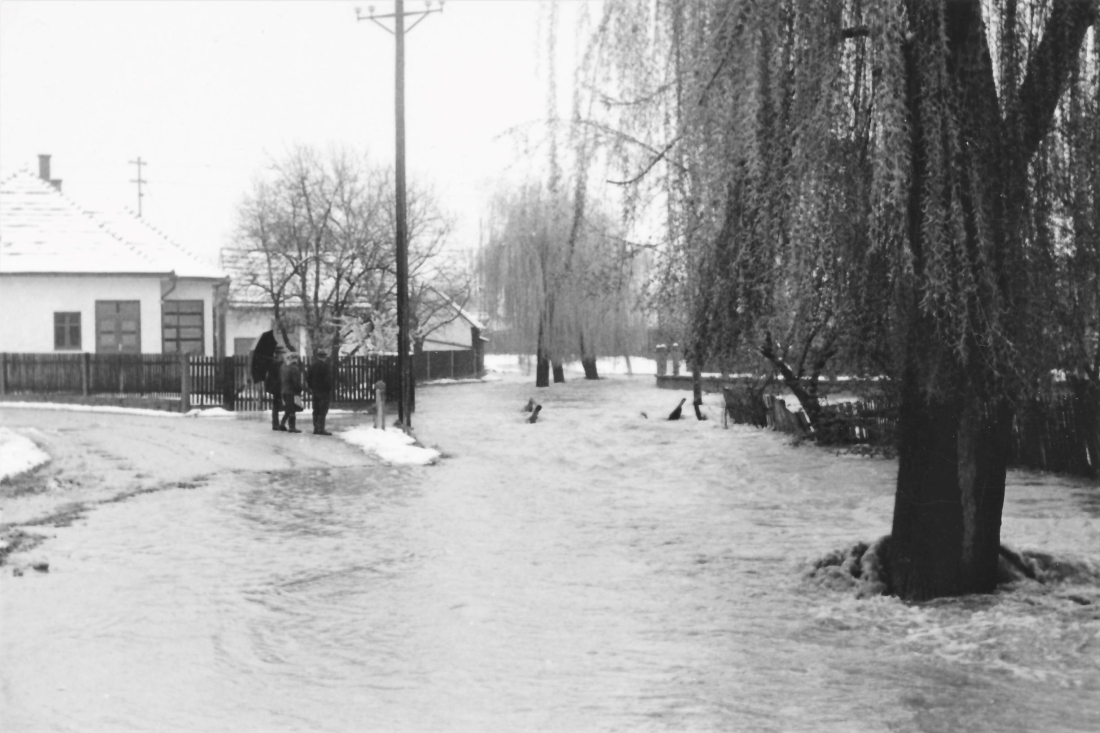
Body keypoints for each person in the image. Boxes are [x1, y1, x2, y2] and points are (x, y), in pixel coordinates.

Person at [306, 348, 334, 436]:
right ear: (325, 357)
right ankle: (321, 428)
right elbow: (328, 380)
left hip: (315, 391)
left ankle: (316, 428)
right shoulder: (326, 366)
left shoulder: (313, 366)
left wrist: (312, 387)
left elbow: (308, 378)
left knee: (316, 410)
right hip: (324, 391)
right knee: (323, 410)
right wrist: (329, 389)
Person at [278, 351, 304, 433]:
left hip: (284, 390)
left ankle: (282, 424)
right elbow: (296, 382)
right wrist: (300, 389)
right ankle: (292, 427)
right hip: (291, 391)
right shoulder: (294, 368)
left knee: (288, 409)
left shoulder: (283, 367)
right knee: (292, 409)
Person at [265, 345, 287, 431]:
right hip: (277, 387)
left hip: (276, 386)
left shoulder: (274, 362)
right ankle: (276, 424)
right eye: (282, 353)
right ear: (278, 354)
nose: (283, 355)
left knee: (276, 405)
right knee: (276, 405)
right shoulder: (276, 363)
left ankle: (276, 424)